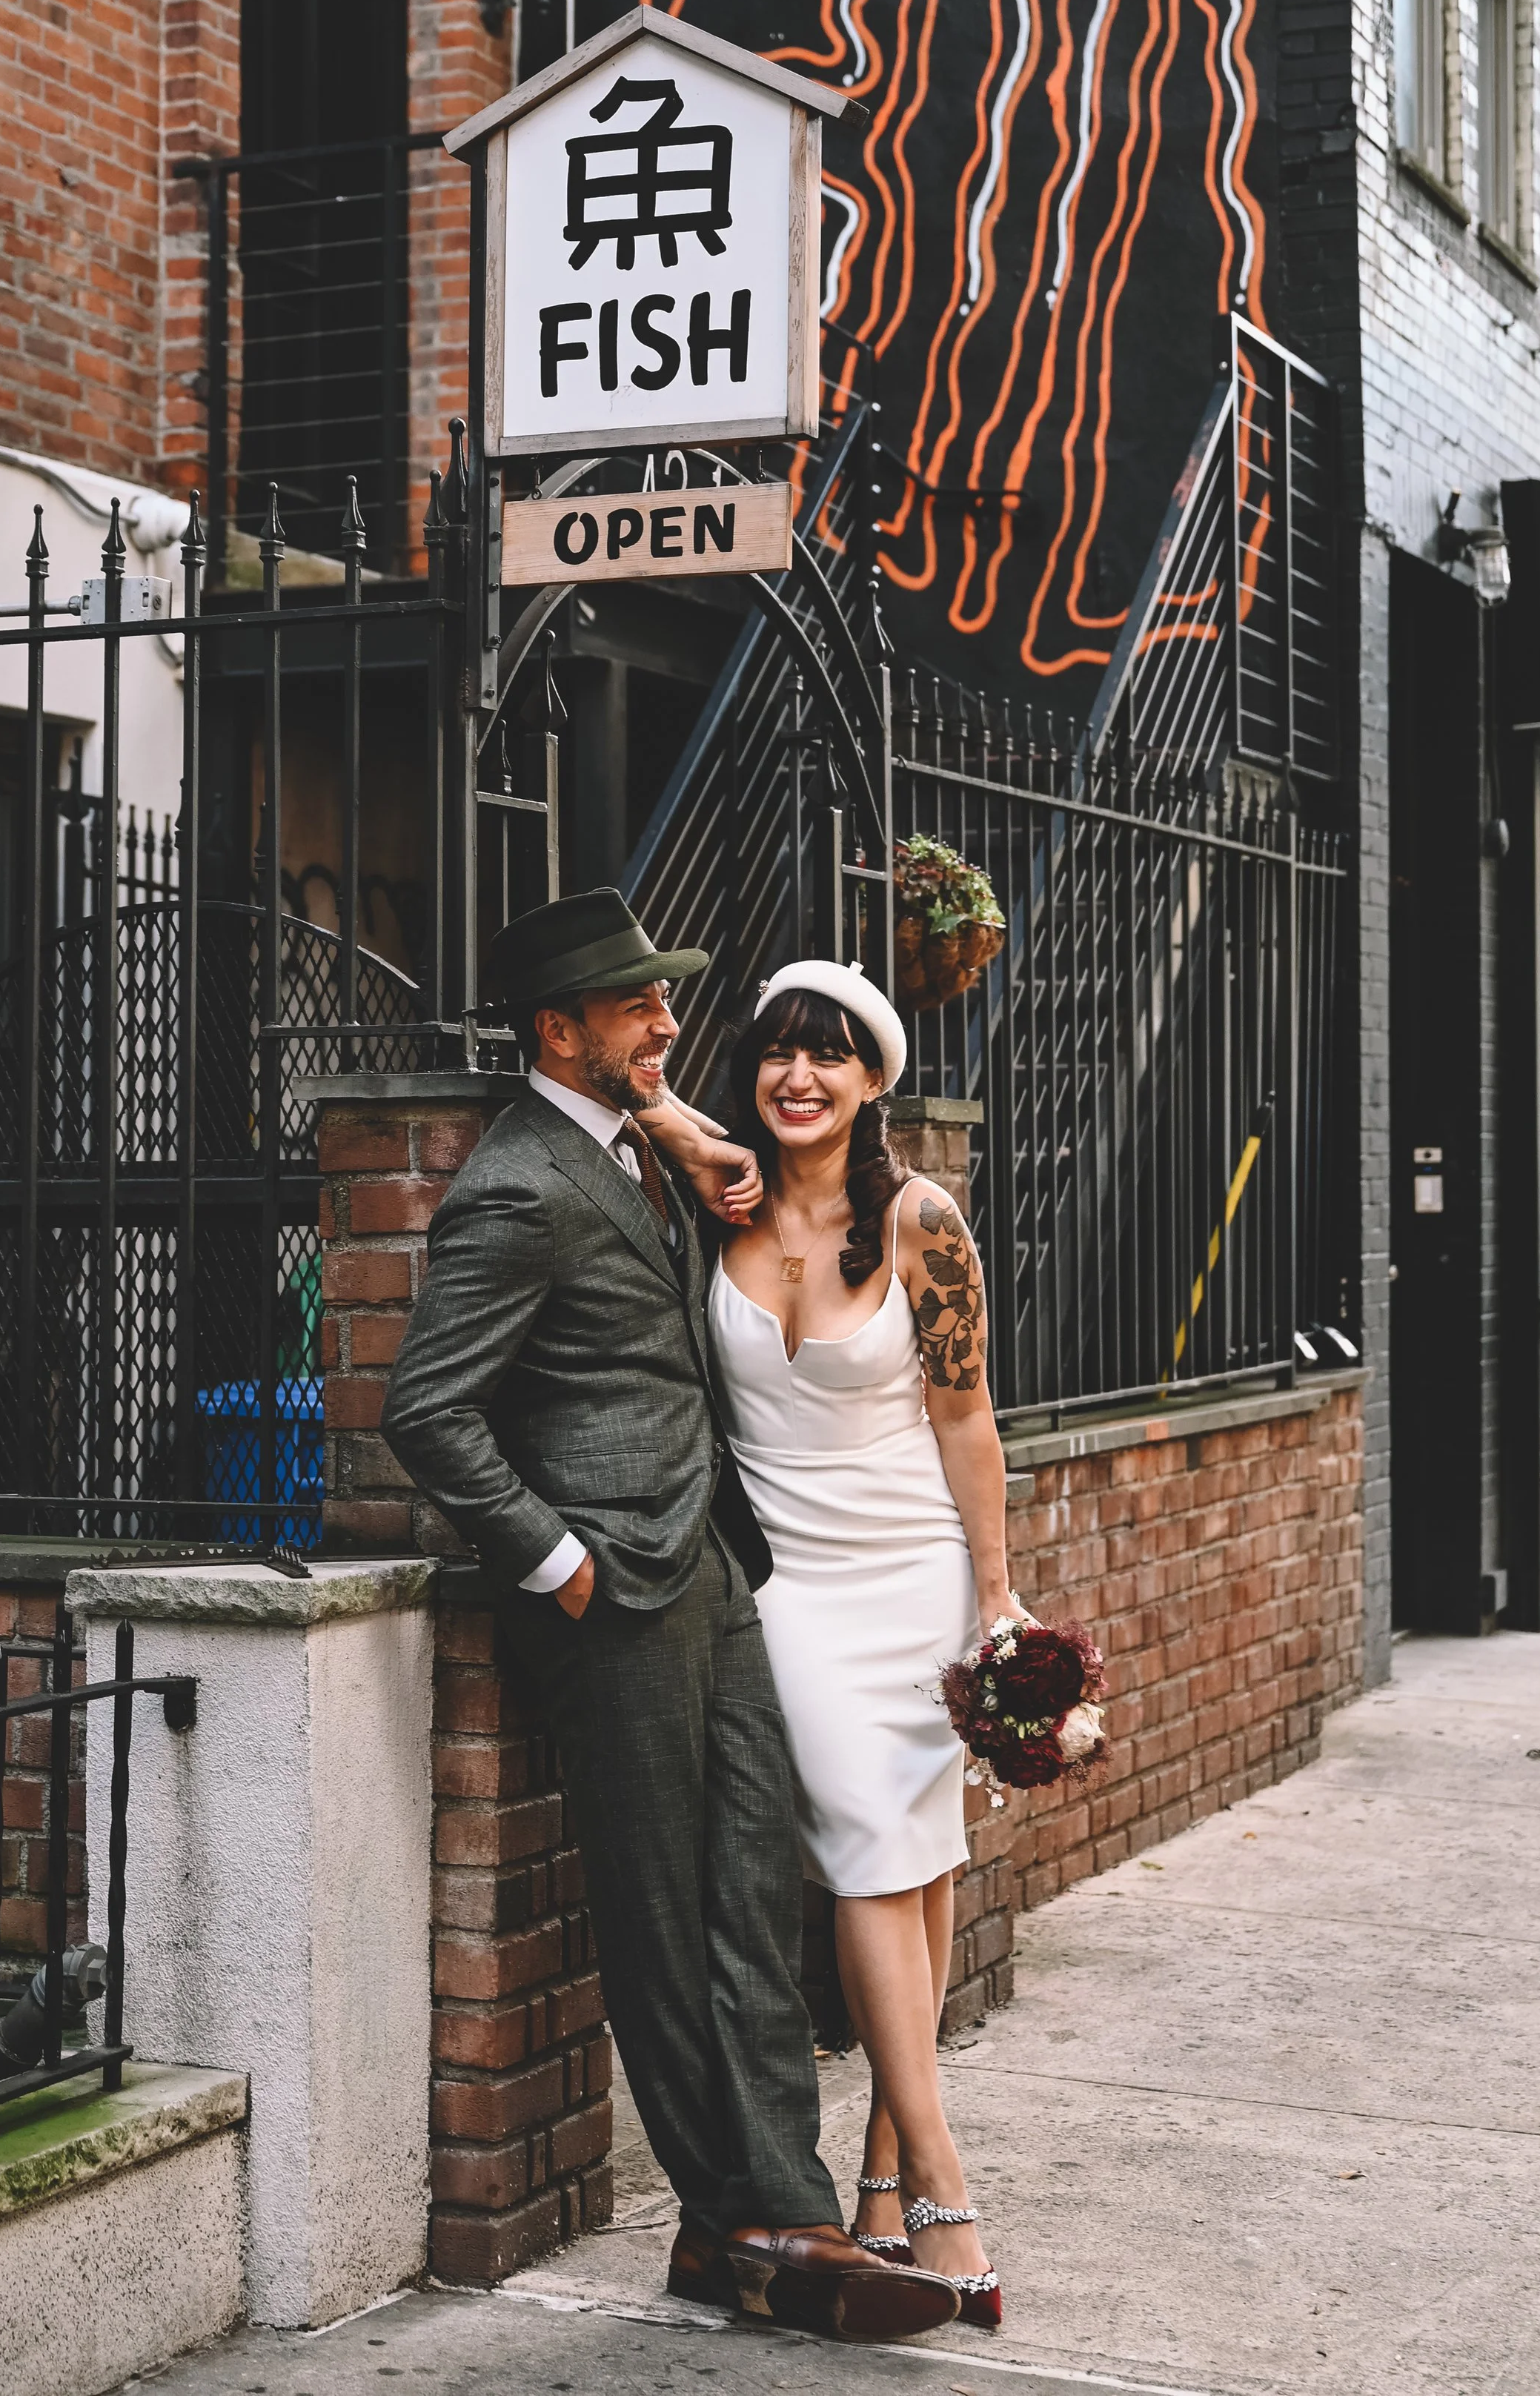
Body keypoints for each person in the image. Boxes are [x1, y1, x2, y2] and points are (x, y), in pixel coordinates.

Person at [381, 890, 960, 2344]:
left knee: (753, 1896)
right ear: (555, 1027)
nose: (665, 1020)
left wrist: (666, 1117)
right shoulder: (514, 1185)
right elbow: (426, 1411)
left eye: (662, 996)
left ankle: (770, 2214)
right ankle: (758, 2222)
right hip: (610, 1602)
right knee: (657, 1919)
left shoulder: (627, 1144)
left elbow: (658, 1135)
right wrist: (555, 1562)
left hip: (710, 1573)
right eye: (634, 1004)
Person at [640, 957, 1023, 2330]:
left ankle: (887, 2176)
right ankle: (943, 2177)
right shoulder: (715, 1201)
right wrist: (687, 1123)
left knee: (913, 1859)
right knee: (874, 1845)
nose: (797, 1078)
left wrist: (995, 1597)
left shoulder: (924, 1220)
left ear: (874, 1081)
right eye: (776, 1054)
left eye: (831, 1057)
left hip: (916, 1572)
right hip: (788, 1589)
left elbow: (968, 1417)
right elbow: (613, 1085)